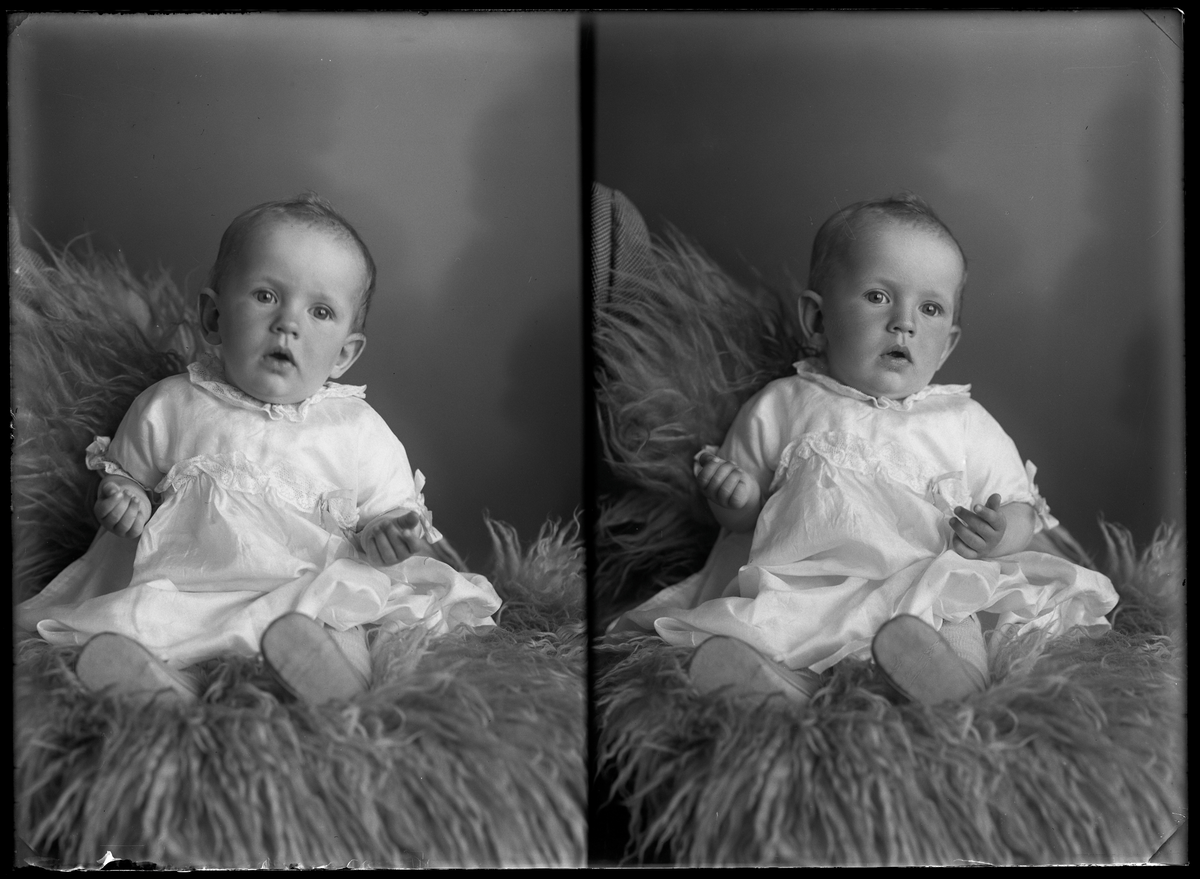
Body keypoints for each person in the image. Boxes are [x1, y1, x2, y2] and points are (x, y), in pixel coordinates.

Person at [619, 193, 1118, 707]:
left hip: (922, 583)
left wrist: (998, 534)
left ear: (947, 344)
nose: (904, 322)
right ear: (817, 319)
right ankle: (783, 688)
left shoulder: (961, 420)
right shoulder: (784, 403)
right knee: (776, 630)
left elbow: (1022, 509)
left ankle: (954, 683)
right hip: (808, 590)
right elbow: (739, 521)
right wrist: (734, 494)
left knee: (952, 607)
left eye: (929, 308)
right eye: (879, 296)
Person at [16, 193, 502, 706]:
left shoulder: (356, 428)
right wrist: (125, 499)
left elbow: (392, 510)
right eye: (266, 296)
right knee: (153, 624)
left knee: (340, 619)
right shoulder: (173, 404)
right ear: (213, 316)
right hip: (193, 590)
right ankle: (170, 688)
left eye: (320, 311)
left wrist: (387, 533)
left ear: (344, 354)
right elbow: (126, 475)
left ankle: (330, 681)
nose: (288, 323)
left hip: (309, 591)